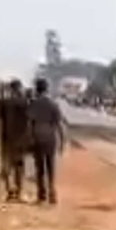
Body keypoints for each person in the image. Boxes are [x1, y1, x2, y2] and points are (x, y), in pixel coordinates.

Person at [27, 77, 65, 205]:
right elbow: (59, 125)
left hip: (37, 138)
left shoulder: (33, 103)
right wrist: (62, 142)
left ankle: (41, 195)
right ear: (47, 89)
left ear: (37, 89)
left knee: (40, 169)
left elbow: (29, 124)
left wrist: (29, 140)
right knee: (51, 167)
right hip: (50, 139)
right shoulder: (53, 104)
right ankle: (52, 194)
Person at [0, 79, 29, 201]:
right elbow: (29, 121)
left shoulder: (2, 102)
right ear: (19, 88)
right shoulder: (25, 102)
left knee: (6, 165)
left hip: (6, 137)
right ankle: (19, 192)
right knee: (19, 165)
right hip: (21, 138)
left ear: (10, 89)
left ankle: (9, 190)